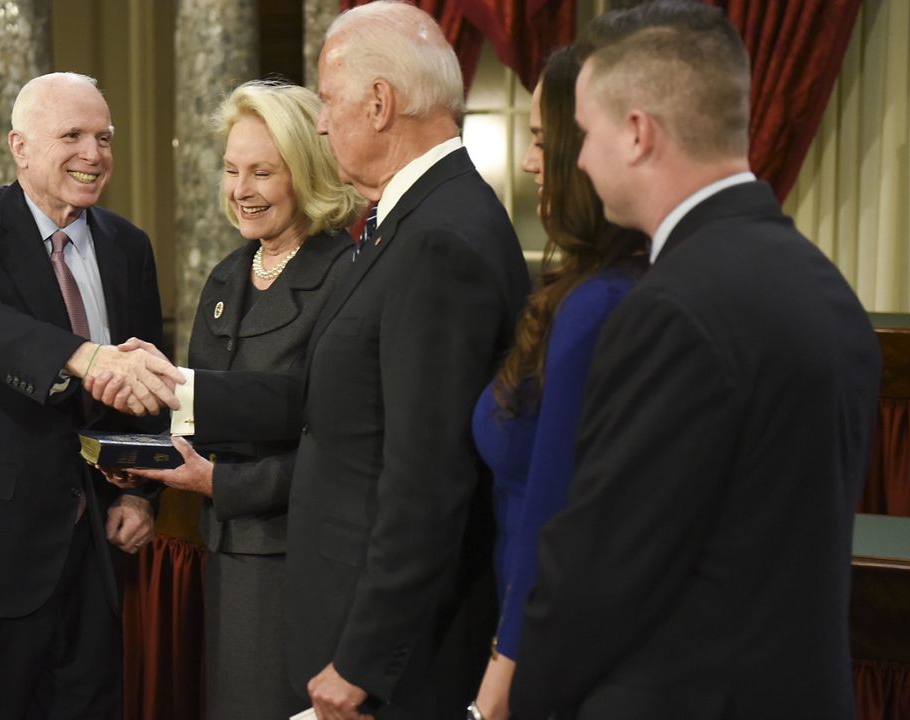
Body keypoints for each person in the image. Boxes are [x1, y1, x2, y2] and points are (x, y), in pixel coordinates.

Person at [94, 3, 531, 717]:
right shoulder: (408, 225)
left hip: (379, 634)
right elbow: (332, 404)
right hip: (314, 594)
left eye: (329, 102)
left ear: (380, 103)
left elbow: (426, 474)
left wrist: (363, 656)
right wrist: (175, 398)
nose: (324, 124)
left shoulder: (438, 238)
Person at [509, 3, 881, 718]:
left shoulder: (668, 311)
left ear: (639, 133)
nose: (577, 157)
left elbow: (599, 572)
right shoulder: (825, 285)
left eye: (584, 133)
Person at [0, 71, 183, 719]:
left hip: (96, 551)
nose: (94, 154)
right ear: (20, 146)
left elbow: (146, 380)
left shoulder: (128, 246)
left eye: (105, 138)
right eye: (72, 135)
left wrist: (141, 493)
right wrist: (81, 357)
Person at [126, 80, 363, 720]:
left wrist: (223, 482)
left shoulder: (345, 276)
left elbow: (338, 441)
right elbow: (203, 409)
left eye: (262, 171)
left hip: (296, 555)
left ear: (308, 172)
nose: (240, 190)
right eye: (232, 170)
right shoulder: (229, 274)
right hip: (222, 550)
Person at [467, 46, 648, 720]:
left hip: (550, 661)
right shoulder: (581, 288)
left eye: (542, 138)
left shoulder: (601, 303)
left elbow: (556, 514)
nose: (526, 159)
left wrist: (500, 676)